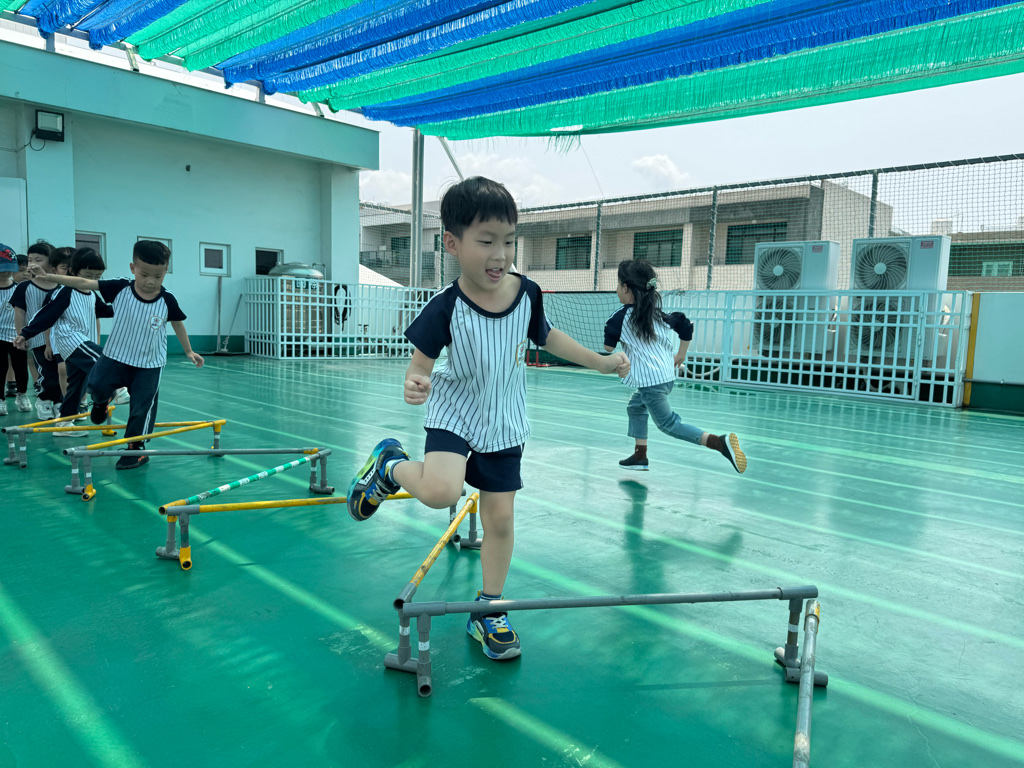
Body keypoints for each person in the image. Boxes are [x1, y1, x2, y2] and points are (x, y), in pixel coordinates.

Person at [345, 177, 630, 662]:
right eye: (486, 242)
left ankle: (489, 609)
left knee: (500, 518)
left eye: (509, 242)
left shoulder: (527, 293)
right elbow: (419, 366)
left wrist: (599, 362)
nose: (500, 255)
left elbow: (548, 336)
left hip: (504, 420)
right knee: (442, 493)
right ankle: (390, 466)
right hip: (455, 412)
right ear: (452, 243)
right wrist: (415, 383)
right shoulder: (445, 306)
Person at [33, 240, 204, 469]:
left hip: (150, 363)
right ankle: (101, 402)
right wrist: (49, 277)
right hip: (117, 356)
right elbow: (83, 282)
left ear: (165, 271)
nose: (151, 281)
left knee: (143, 406)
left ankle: (136, 449)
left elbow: (177, 323)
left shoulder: (167, 299)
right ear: (133, 268)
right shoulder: (120, 287)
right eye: (144, 274)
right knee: (96, 385)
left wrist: (189, 350)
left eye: (158, 276)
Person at [605, 259, 746, 474]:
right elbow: (685, 325)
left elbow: (608, 347)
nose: (617, 289)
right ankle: (640, 455)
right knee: (635, 406)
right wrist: (681, 354)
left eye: (618, 284)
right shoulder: (658, 315)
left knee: (668, 424)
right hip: (666, 377)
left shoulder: (620, 317)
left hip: (651, 383)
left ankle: (718, 442)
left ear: (625, 287)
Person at [16, 248, 111, 437]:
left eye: (97, 277)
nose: (92, 280)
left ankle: (65, 422)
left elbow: (106, 311)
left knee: (77, 384)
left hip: (84, 340)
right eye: (88, 276)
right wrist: (25, 333)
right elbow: (47, 315)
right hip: (70, 340)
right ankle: (116, 389)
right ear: (74, 272)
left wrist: (131, 304)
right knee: (106, 360)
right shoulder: (65, 292)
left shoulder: (92, 294)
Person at [10, 241, 61, 420]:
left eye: (38, 260)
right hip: (38, 339)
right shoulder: (24, 287)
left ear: (51, 262)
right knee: (47, 374)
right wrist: (21, 335)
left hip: (61, 339)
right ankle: (44, 400)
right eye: (30, 260)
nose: (32, 264)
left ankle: (59, 403)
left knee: (62, 373)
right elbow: (19, 312)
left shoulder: (61, 287)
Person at [0, 244, 31, 416]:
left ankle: (22, 395)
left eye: (9, 269)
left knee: (21, 368)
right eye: (2, 269)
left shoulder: (19, 288)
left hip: (17, 335)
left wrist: (25, 333)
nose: (6, 272)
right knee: (1, 368)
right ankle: (1, 399)